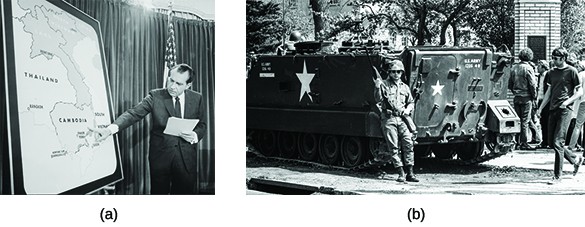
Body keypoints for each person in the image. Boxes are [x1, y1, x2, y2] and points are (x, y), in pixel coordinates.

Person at [90, 64, 207, 194]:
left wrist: (195, 136)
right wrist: (109, 130)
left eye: (179, 84)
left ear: (188, 85)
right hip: (161, 159)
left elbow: (202, 125)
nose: (172, 86)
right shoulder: (156, 96)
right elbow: (133, 113)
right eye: (171, 80)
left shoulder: (197, 98)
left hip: (186, 160)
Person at [536, 47, 584, 184]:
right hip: (552, 109)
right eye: (553, 57)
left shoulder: (572, 71)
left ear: (563, 58)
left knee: (558, 142)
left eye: (556, 58)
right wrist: (540, 109)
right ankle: (575, 159)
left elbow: (579, 92)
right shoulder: (550, 73)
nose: (554, 60)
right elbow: (549, 92)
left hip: (565, 110)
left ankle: (557, 176)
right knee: (551, 142)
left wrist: (567, 102)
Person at [373, 59, 418, 183]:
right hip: (389, 119)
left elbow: (411, 102)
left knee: (408, 144)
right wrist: (377, 87)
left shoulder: (405, 87)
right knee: (393, 147)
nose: (396, 74)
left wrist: (408, 110)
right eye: (393, 72)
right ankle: (401, 173)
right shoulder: (383, 84)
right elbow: (378, 99)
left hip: (402, 119)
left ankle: (410, 172)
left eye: (398, 71)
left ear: (402, 73)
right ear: (389, 72)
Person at [508, 48, 538, 150]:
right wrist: (534, 96)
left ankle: (516, 142)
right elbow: (532, 84)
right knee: (525, 121)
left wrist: (515, 92)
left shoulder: (514, 68)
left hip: (517, 97)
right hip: (526, 97)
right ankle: (524, 143)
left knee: (518, 120)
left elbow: (510, 83)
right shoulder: (529, 68)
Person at [568, 62, 585, 152]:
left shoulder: (580, 75)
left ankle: (571, 145)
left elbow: (577, 89)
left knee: (578, 125)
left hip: (582, 101)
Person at [536, 60, 550, 148]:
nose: (537, 68)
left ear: (543, 67)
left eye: (539, 66)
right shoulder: (539, 77)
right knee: (542, 121)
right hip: (540, 99)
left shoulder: (548, 75)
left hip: (547, 101)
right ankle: (544, 141)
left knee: (547, 121)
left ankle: (548, 141)